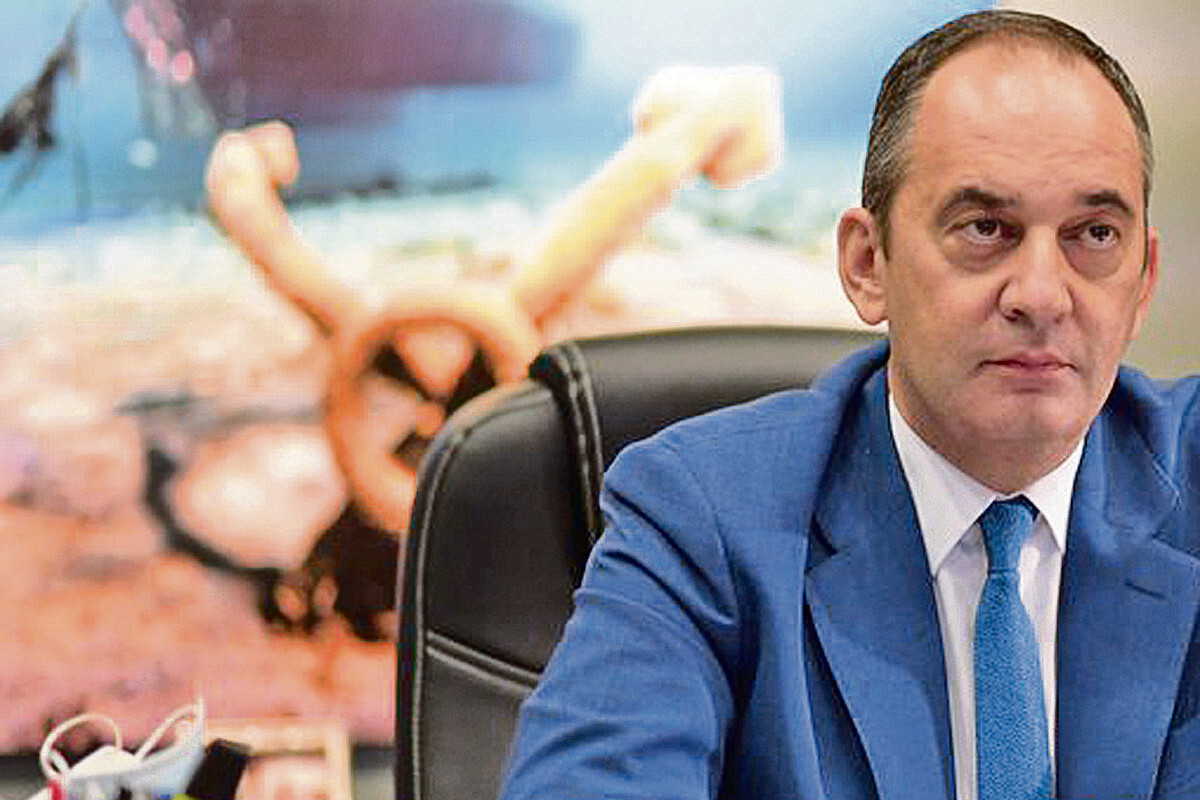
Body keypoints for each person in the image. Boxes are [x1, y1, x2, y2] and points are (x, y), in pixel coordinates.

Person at [498, 9, 1200, 800]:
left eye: (1094, 235)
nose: (1042, 295)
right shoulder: (705, 513)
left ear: (1143, 283)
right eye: (985, 228)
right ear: (868, 265)